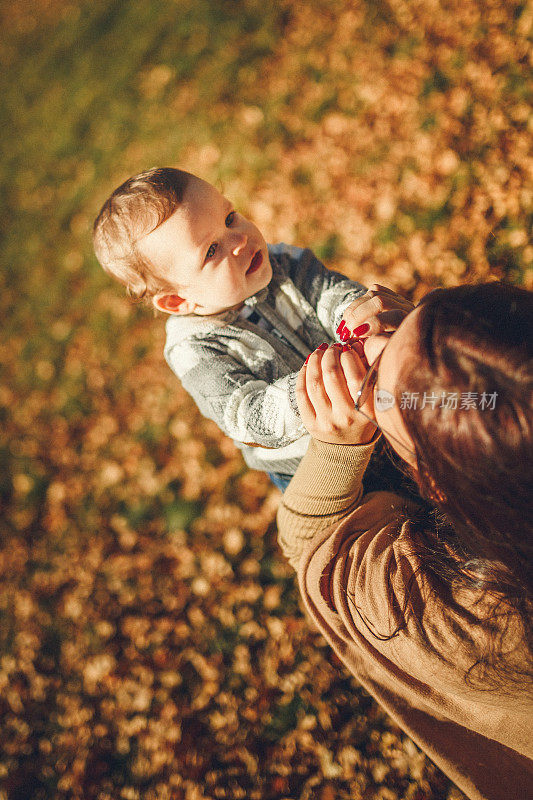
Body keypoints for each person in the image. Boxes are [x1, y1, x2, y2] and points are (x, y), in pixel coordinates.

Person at [277, 282, 533, 800]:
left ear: (433, 481)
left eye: (379, 388)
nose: (373, 347)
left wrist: (336, 444)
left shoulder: (451, 617)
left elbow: (314, 545)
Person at [93, 167, 375, 490]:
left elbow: (330, 293)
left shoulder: (283, 262)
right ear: (177, 302)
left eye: (229, 218)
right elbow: (248, 415)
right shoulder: (194, 351)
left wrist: (358, 323)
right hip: (311, 466)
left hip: (365, 399)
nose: (240, 240)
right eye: (211, 250)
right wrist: (321, 390)